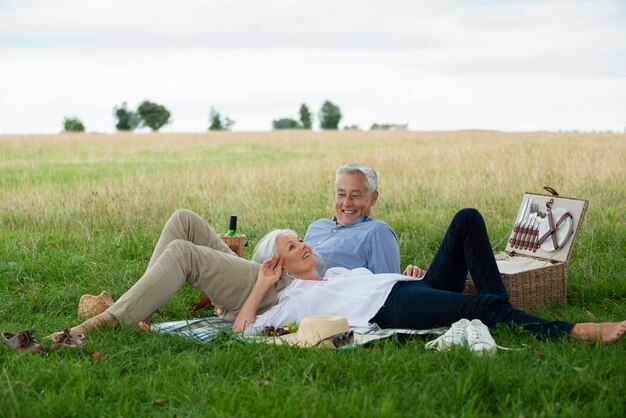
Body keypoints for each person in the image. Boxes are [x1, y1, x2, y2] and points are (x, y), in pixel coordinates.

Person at [56, 208, 625, 345]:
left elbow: (375, 274)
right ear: (274, 263)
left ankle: (495, 305)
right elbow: (244, 331)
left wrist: (413, 272)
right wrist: (257, 285)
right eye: (291, 246)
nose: (303, 245)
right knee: (476, 309)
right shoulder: (287, 296)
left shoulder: (332, 270)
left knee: (468, 220)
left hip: (401, 288)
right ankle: (570, 330)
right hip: (387, 310)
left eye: (300, 242)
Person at [303, 162, 400, 274]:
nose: (347, 202)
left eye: (355, 196)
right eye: (341, 194)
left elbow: (387, 284)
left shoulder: (378, 232)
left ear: (373, 198)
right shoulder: (317, 226)